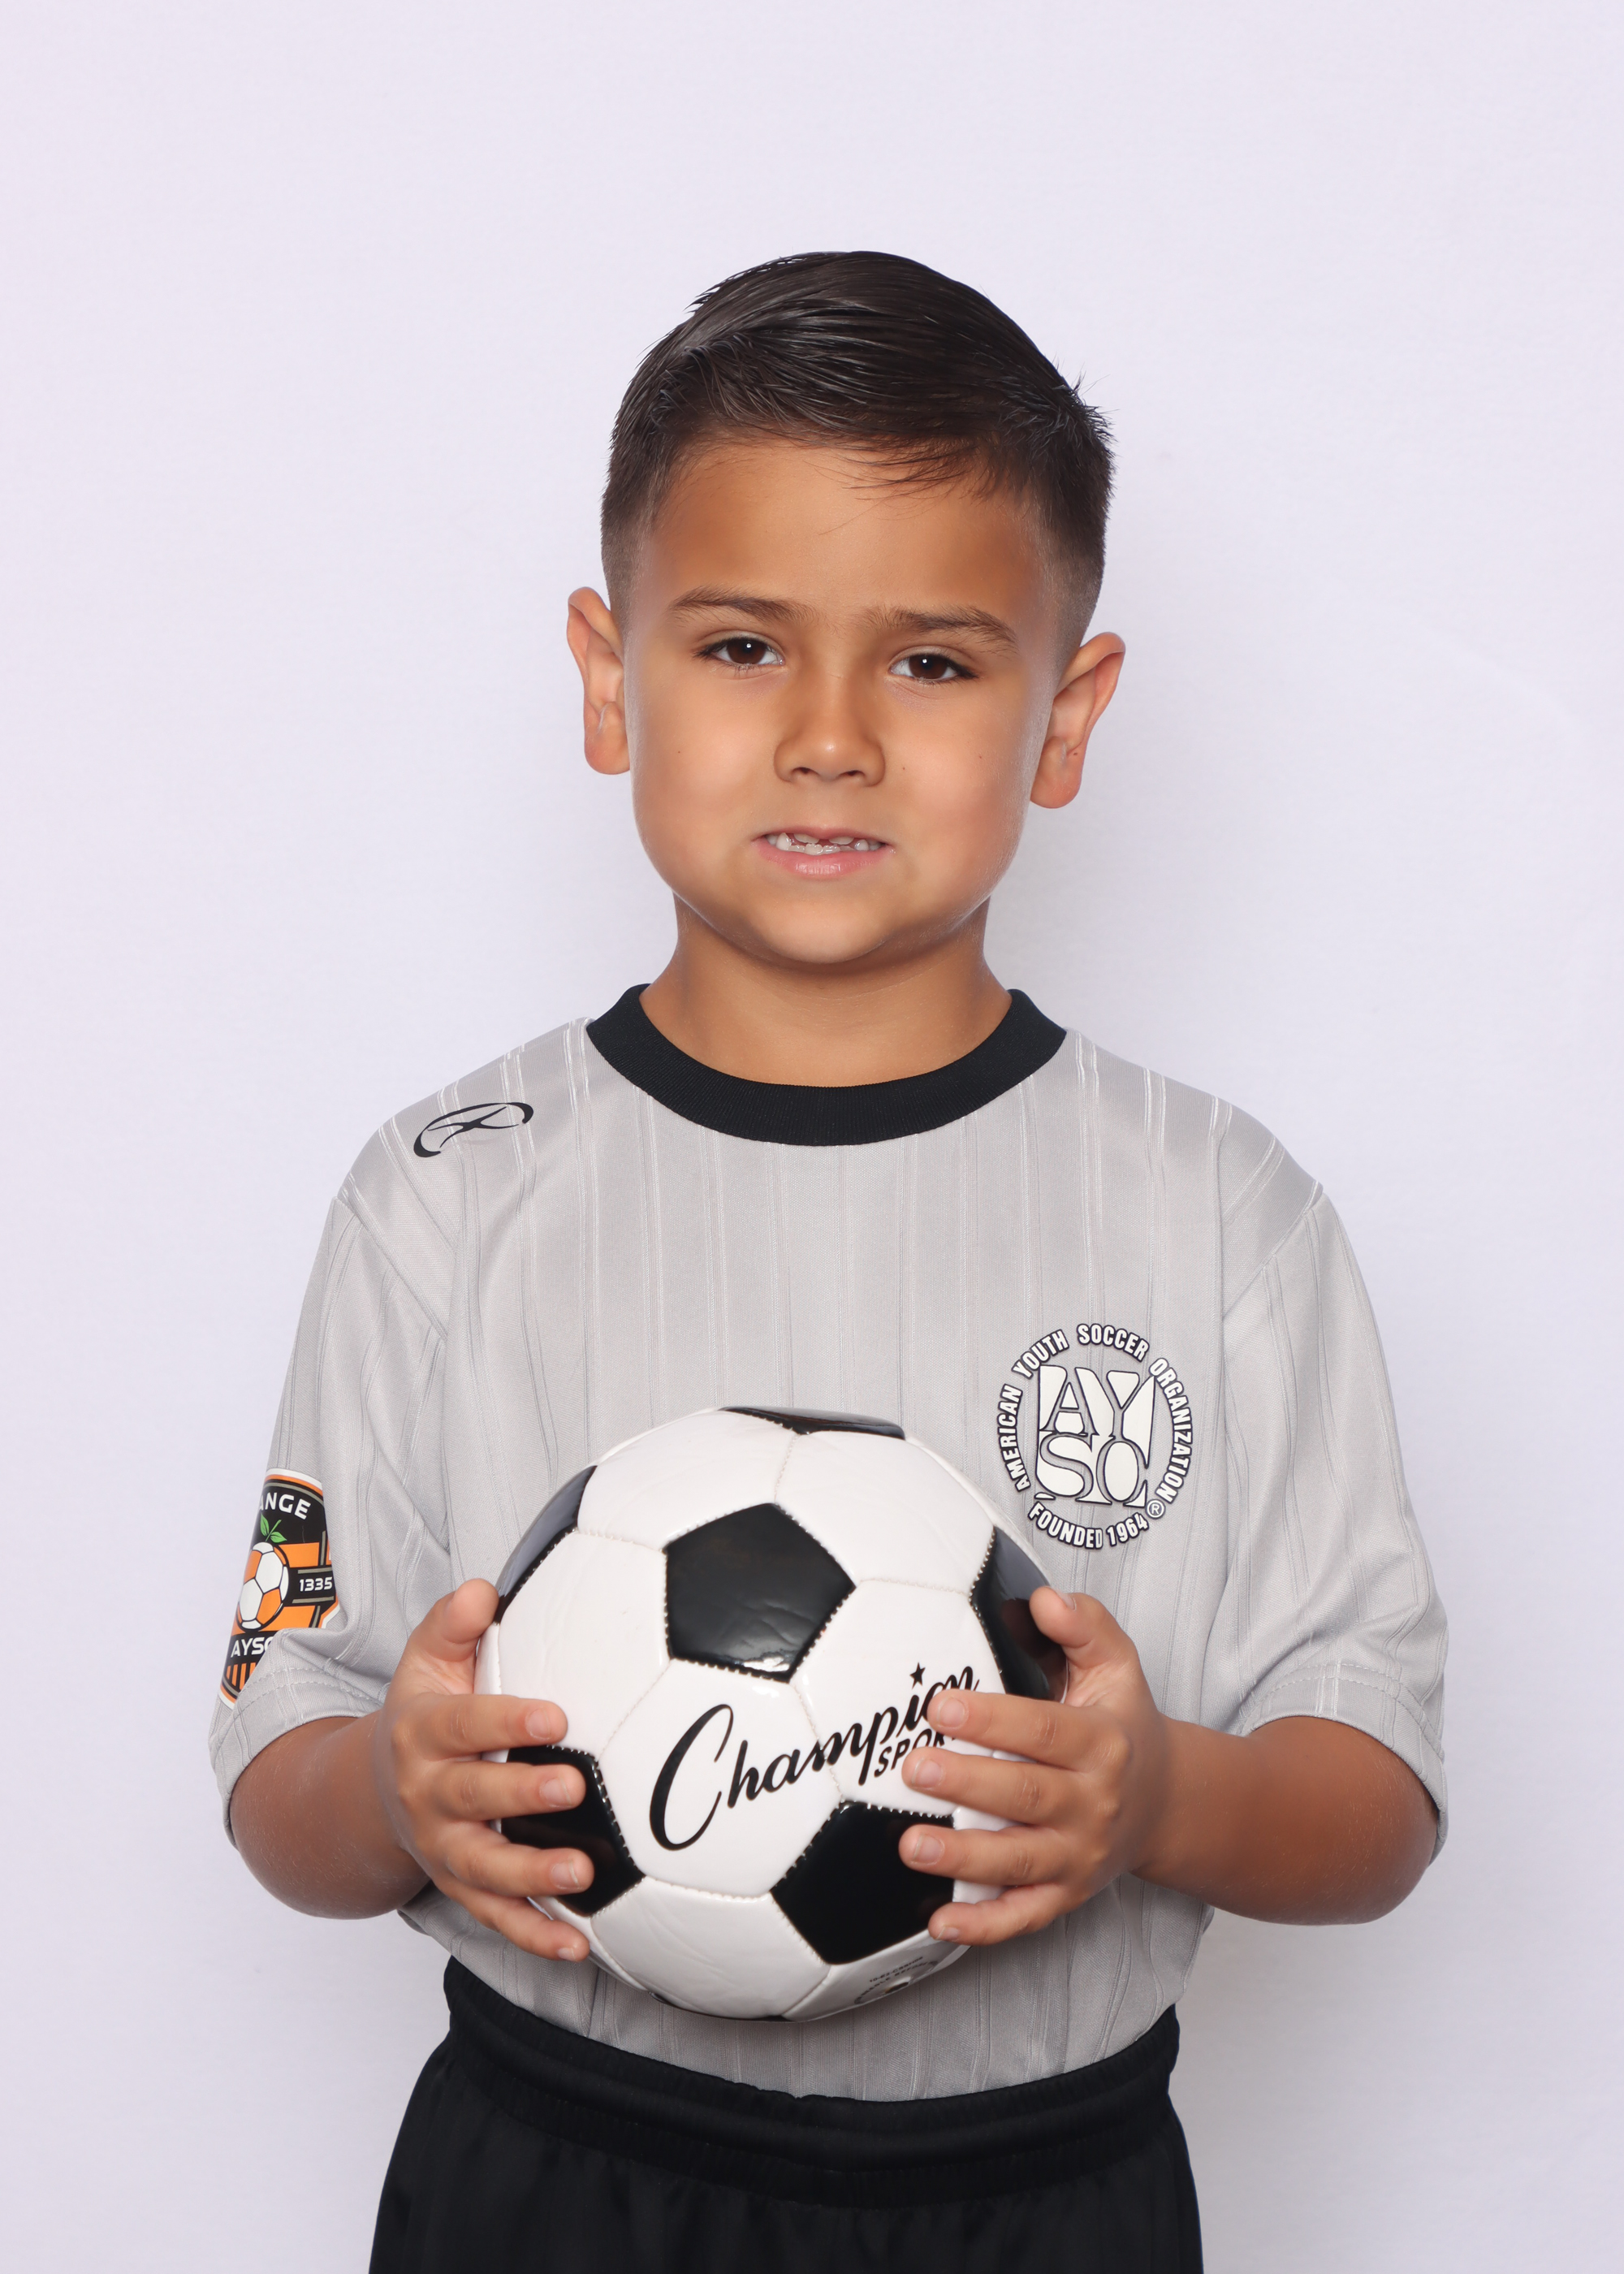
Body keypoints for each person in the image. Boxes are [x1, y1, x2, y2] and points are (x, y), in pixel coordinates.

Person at [212, 252, 1447, 2273]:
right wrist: (390, 1787)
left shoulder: (1218, 1208)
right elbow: (280, 1766)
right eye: (740, 645)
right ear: (609, 676)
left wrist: (1154, 1798)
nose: (830, 738)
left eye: (934, 662)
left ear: (1066, 714)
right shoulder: (443, 1195)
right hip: (556, 2174)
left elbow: (1374, 1799)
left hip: (1038, 2197)